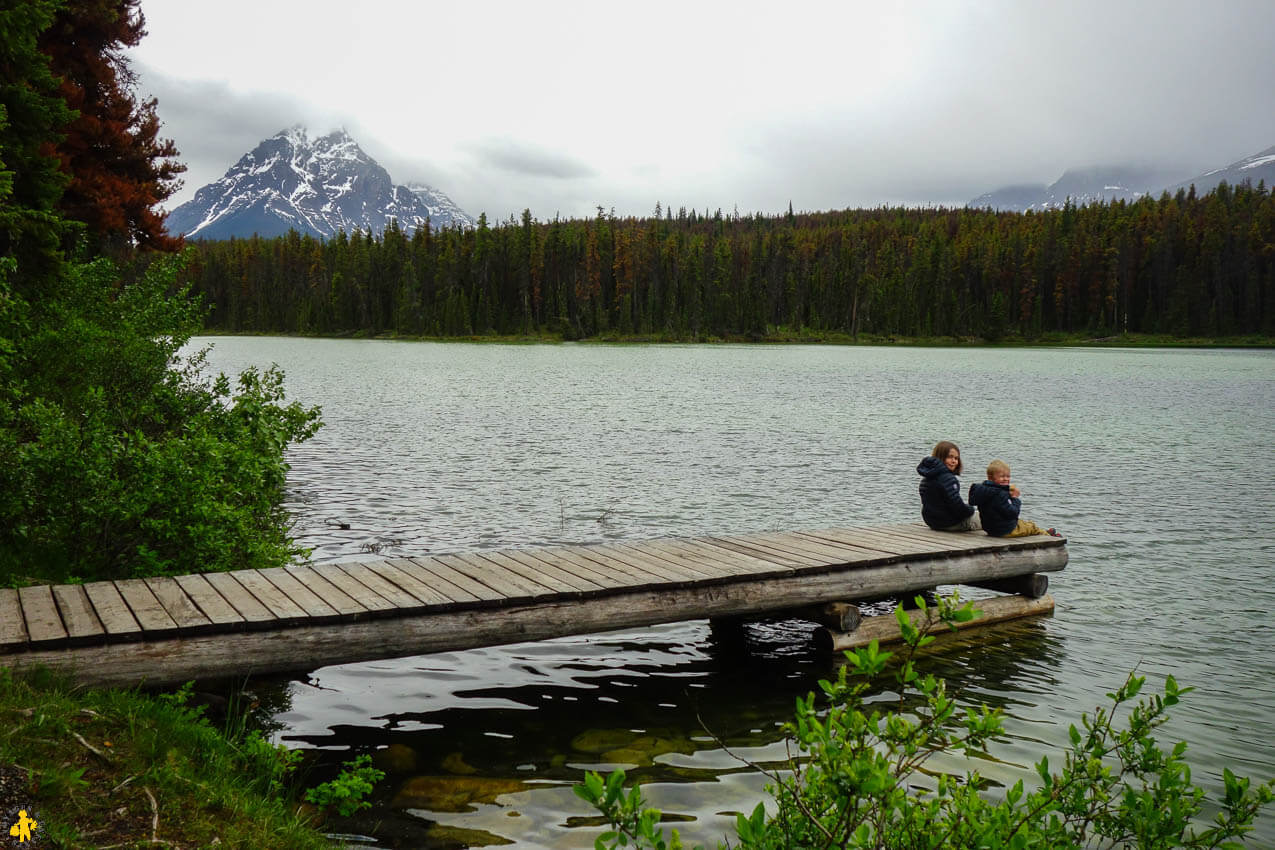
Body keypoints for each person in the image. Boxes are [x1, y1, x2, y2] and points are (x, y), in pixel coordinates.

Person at [968, 459, 1060, 537]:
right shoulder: (1000, 493)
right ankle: (1048, 536)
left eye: (1008, 476)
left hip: (990, 529)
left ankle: (1045, 532)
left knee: (1022, 523)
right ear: (991, 478)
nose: (1006, 479)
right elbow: (1013, 513)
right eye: (1002, 476)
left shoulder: (984, 491)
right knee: (1032, 526)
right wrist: (1015, 498)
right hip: (1005, 531)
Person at [917, 440, 980, 532]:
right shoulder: (948, 479)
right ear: (940, 457)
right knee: (987, 517)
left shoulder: (926, 478)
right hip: (950, 523)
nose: (954, 461)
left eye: (956, 458)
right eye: (950, 457)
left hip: (933, 522)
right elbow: (957, 506)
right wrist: (970, 509)